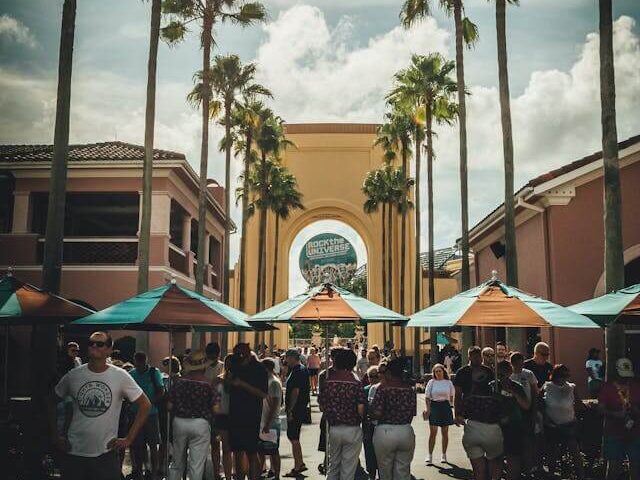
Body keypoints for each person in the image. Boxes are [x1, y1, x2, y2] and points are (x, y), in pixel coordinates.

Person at [50, 331, 151, 480]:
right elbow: (50, 401)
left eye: (100, 344)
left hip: (105, 454)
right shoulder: (74, 375)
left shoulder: (120, 376)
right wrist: (55, 436)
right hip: (74, 452)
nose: (94, 346)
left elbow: (145, 405)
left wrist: (129, 439)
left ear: (109, 349)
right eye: (91, 343)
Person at [167, 350, 217, 480]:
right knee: (196, 465)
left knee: (177, 462)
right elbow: (216, 408)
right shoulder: (208, 384)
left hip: (179, 422)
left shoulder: (178, 382)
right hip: (200, 423)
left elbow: (169, 406)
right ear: (204, 366)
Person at [454, 346, 503, 480]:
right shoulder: (462, 372)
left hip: (482, 414)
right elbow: (457, 394)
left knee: (483, 466)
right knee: (487, 465)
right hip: (471, 414)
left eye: (479, 356)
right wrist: (457, 413)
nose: (477, 358)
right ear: (469, 356)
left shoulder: (489, 371)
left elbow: (495, 390)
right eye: (474, 356)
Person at [318, 348, 366, 480]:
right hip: (352, 428)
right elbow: (361, 408)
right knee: (348, 469)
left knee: (333, 466)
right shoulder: (356, 383)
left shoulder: (328, 382)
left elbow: (322, 406)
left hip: (334, 428)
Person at [370, 357, 416, 480]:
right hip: (406, 430)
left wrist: (370, 413)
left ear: (389, 372)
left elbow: (377, 412)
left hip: (385, 431)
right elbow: (412, 413)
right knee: (403, 471)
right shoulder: (410, 390)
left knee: (385, 472)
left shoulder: (383, 388)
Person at [227, 343, 269, 480]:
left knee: (252, 451)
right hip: (235, 413)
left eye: (242, 356)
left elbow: (263, 394)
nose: (240, 359)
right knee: (238, 451)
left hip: (251, 414)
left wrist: (242, 384)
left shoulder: (259, 369)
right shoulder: (235, 365)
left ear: (248, 354)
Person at [598, 357, 640, 480]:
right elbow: (600, 409)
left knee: (636, 466)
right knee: (613, 467)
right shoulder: (607, 388)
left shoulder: (636, 387)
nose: (625, 378)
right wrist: (615, 414)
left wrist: (636, 411)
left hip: (635, 432)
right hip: (613, 433)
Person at [541, 364, 584, 479]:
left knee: (575, 451)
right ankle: (551, 474)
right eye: (561, 375)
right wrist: (545, 419)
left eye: (566, 375)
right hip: (552, 425)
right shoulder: (547, 386)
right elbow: (539, 403)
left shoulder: (571, 387)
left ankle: (581, 475)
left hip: (568, 424)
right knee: (552, 453)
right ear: (555, 376)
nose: (564, 378)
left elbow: (579, 404)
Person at [128, 351, 164, 480]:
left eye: (141, 363)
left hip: (151, 413)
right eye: (137, 363)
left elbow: (161, 391)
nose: (139, 365)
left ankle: (153, 473)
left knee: (153, 444)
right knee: (138, 445)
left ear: (145, 361)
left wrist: (148, 403)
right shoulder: (131, 374)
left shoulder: (154, 373)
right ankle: (139, 470)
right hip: (135, 413)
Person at [495, 361, 530, 480]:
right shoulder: (492, 386)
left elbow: (526, 405)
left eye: (504, 373)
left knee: (513, 458)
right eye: (499, 374)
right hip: (496, 428)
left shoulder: (517, 386)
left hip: (514, 427)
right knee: (496, 459)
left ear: (510, 372)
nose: (502, 376)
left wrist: (514, 393)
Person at [283, 349, 310, 477]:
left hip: (296, 408)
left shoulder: (298, 371)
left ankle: (298, 465)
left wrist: (290, 410)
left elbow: (295, 391)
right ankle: (300, 463)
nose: (285, 360)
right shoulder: (300, 369)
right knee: (294, 436)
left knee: (293, 436)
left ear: (293, 358)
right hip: (299, 408)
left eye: (287, 357)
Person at [423, 363, 454, 464]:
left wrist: (451, 406)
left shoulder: (448, 382)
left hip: (445, 406)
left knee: (445, 433)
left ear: (443, 371)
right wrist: (428, 409)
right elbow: (427, 397)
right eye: (436, 372)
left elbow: (452, 396)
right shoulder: (431, 382)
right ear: (434, 373)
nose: (438, 373)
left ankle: (444, 455)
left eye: (440, 371)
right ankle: (430, 455)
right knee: (433, 432)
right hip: (434, 406)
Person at [259, 358, 283, 480]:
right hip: (263, 421)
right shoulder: (265, 381)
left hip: (271, 422)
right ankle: (261, 473)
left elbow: (274, 404)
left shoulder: (273, 382)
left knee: (273, 451)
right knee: (261, 451)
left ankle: (277, 475)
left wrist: (268, 423)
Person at [213, 354, 233, 480]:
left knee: (227, 449)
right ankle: (216, 474)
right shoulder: (218, 379)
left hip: (230, 417)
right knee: (215, 446)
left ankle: (228, 475)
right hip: (218, 416)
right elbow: (214, 398)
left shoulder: (238, 380)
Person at [363, 366, 380, 480]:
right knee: (369, 450)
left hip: (380, 425)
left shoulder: (383, 389)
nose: (373, 378)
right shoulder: (364, 390)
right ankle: (371, 474)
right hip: (367, 425)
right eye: (371, 376)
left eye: (376, 376)